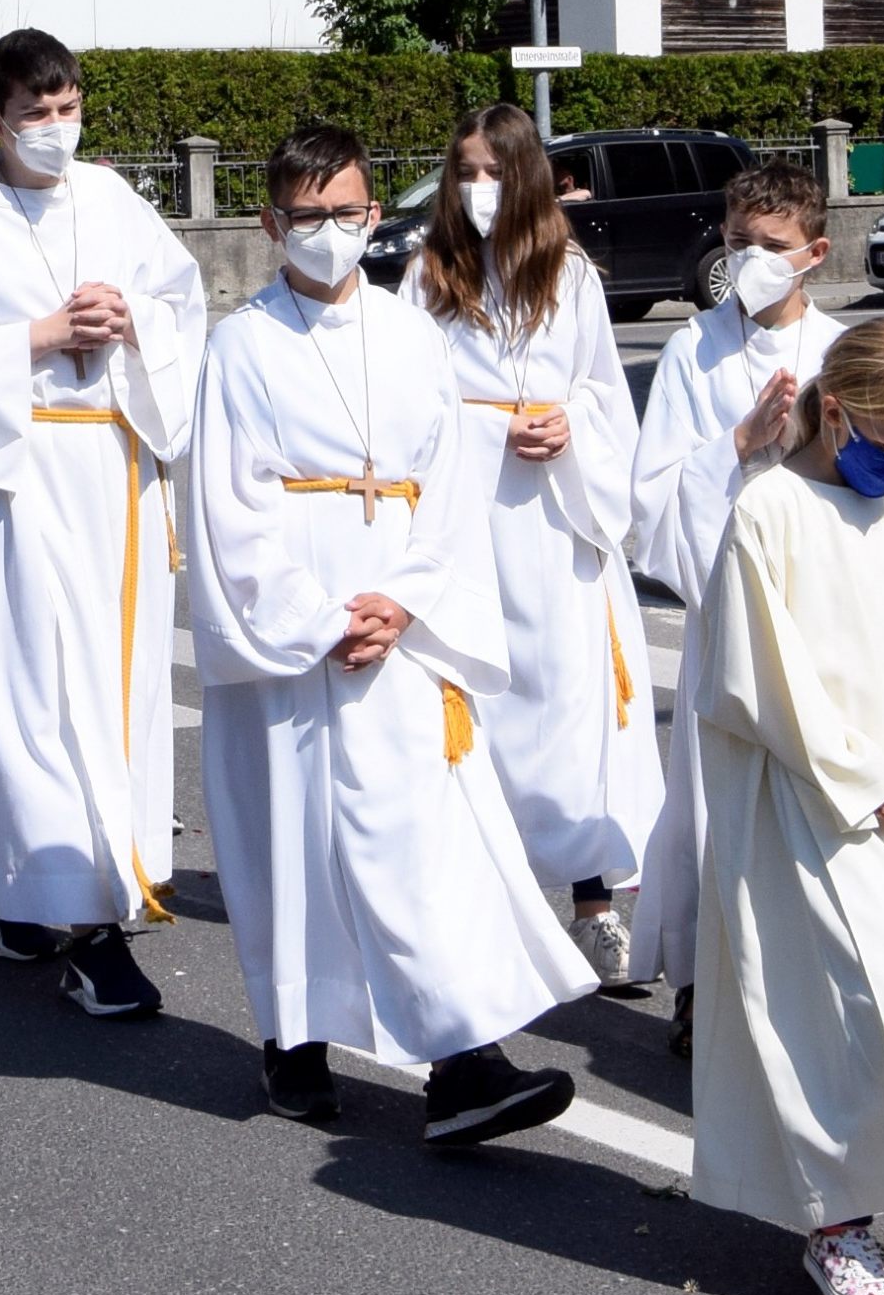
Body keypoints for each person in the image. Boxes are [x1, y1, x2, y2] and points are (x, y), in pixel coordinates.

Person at [191, 125, 595, 1141]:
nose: (327, 232)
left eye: (345, 213)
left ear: (375, 215)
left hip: (398, 619)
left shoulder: (413, 332)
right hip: (297, 627)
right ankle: (295, 1040)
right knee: (294, 835)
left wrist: (403, 602)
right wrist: (318, 619)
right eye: (306, 216)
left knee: (414, 832)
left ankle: (464, 1062)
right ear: (271, 221)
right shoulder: (241, 344)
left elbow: (448, 491)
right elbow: (227, 510)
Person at [0, 27, 206, 1018]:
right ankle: (62, 912)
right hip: (19, 476)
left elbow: (182, 302)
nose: (57, 132)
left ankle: (55, 896)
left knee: (113, 692)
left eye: (69, 112)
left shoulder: (111, 200)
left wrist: (130, 319)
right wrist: (41, 334)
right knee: (30, 690)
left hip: (114, 468)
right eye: (36, 115)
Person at [690, 317, 884, 1295]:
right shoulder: (770, 511)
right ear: (836, 408)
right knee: (847, 1020)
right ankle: (832, 1233)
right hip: (803, 805)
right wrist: (866, 774)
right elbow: (753, 681)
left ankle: (856, 1223)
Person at [404, 102, 656, 987]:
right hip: (467, 512)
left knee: (568, 706)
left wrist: (570, 429)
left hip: (552, 518)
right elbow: (406, 398)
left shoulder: (572, 275)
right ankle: (487, 906)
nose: (479, 188)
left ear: (529, 177)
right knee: (476, 703)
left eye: (495, 171)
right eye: (465, 171)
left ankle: (594, 904)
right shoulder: (428, 274)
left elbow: (601, 392)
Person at [624, 158, 844, 1046]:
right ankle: (704, 983)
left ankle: (798, 982)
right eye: (737, 240)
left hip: (819, 614)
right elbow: (654, 494)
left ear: (814, 252)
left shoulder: (840, 350)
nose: (750, 257)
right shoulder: (693, 347)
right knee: (717, 805)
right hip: (729, 606)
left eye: (771, 245)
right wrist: (741, 444)